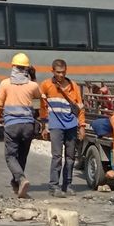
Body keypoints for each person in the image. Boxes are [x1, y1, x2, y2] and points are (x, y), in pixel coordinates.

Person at [0, 52, 42, 198]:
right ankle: (17, 182)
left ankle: (21, 178)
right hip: (28, 126)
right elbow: (39, 95)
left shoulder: (5, 83)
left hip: (12, 125)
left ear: (13, 66)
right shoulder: (32, 85)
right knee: (22, 155)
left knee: (10, 156)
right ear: (27, 69)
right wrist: (33, 77)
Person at [39, 59, 85, 197]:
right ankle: (54, 186)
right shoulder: (46, 85)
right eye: (58, 72)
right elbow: (43, 107)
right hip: (55, 126)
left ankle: (67, 185)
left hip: (71, 125)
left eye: (63, 72)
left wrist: (81, 126)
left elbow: (80, 108)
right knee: (57, 157)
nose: (61, 75)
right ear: (52, 71)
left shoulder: (73, 86)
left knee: (70, 157)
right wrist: (44, 126)